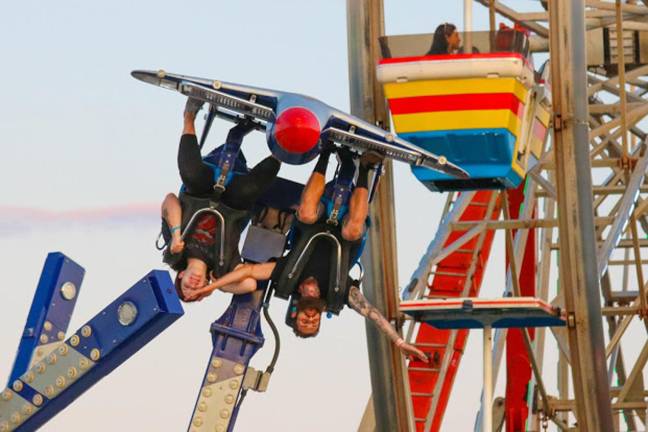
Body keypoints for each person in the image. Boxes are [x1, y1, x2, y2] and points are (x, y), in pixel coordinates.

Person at [185, 148, 428, 363]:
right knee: (353, 229)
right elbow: (372, 314)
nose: (310, 319)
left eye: (304, 321)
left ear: (296, 313)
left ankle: (324, 154)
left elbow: (248, 271)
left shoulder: (286, 278)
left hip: (316, 218)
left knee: (308, 213)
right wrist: (399, 342)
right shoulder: (340, 293)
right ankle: (364, 167)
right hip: (347, 229)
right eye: (314, 323)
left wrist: (211, 287)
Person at [161, 98, 281, 301]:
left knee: (190, 173)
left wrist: (176, 234)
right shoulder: (222, 267)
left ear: (181, 275)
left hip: (200, 190)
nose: (194, 286)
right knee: (250, 190)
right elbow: (250, 283)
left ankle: (189, 116)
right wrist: (217, 286)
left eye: (187, 287)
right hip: (233, 203)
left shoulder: (175, 252)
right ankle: (285, 143)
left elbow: (170, 200)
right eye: (197, 291)